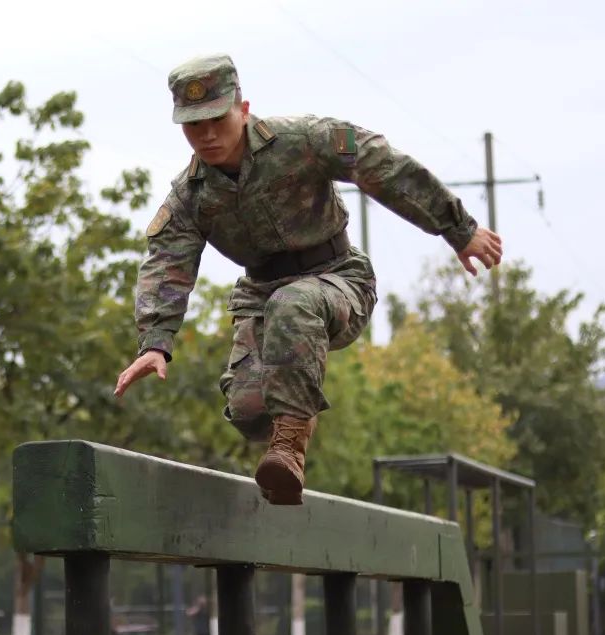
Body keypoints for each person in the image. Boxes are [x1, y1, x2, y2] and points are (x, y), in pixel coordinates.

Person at [114, 54, 502, 505]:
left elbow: (385, 167)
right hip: (260, 295)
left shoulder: (303, 141)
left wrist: (458, 229)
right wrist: (156, 342)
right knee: (248, 410)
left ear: (243, 108)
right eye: (193, 126)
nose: (207, 135)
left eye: (217, 119)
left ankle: (290, 448)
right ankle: (290, 415)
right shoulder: (190, 196)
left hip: (338, 278)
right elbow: (166, 263)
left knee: (293, 303)